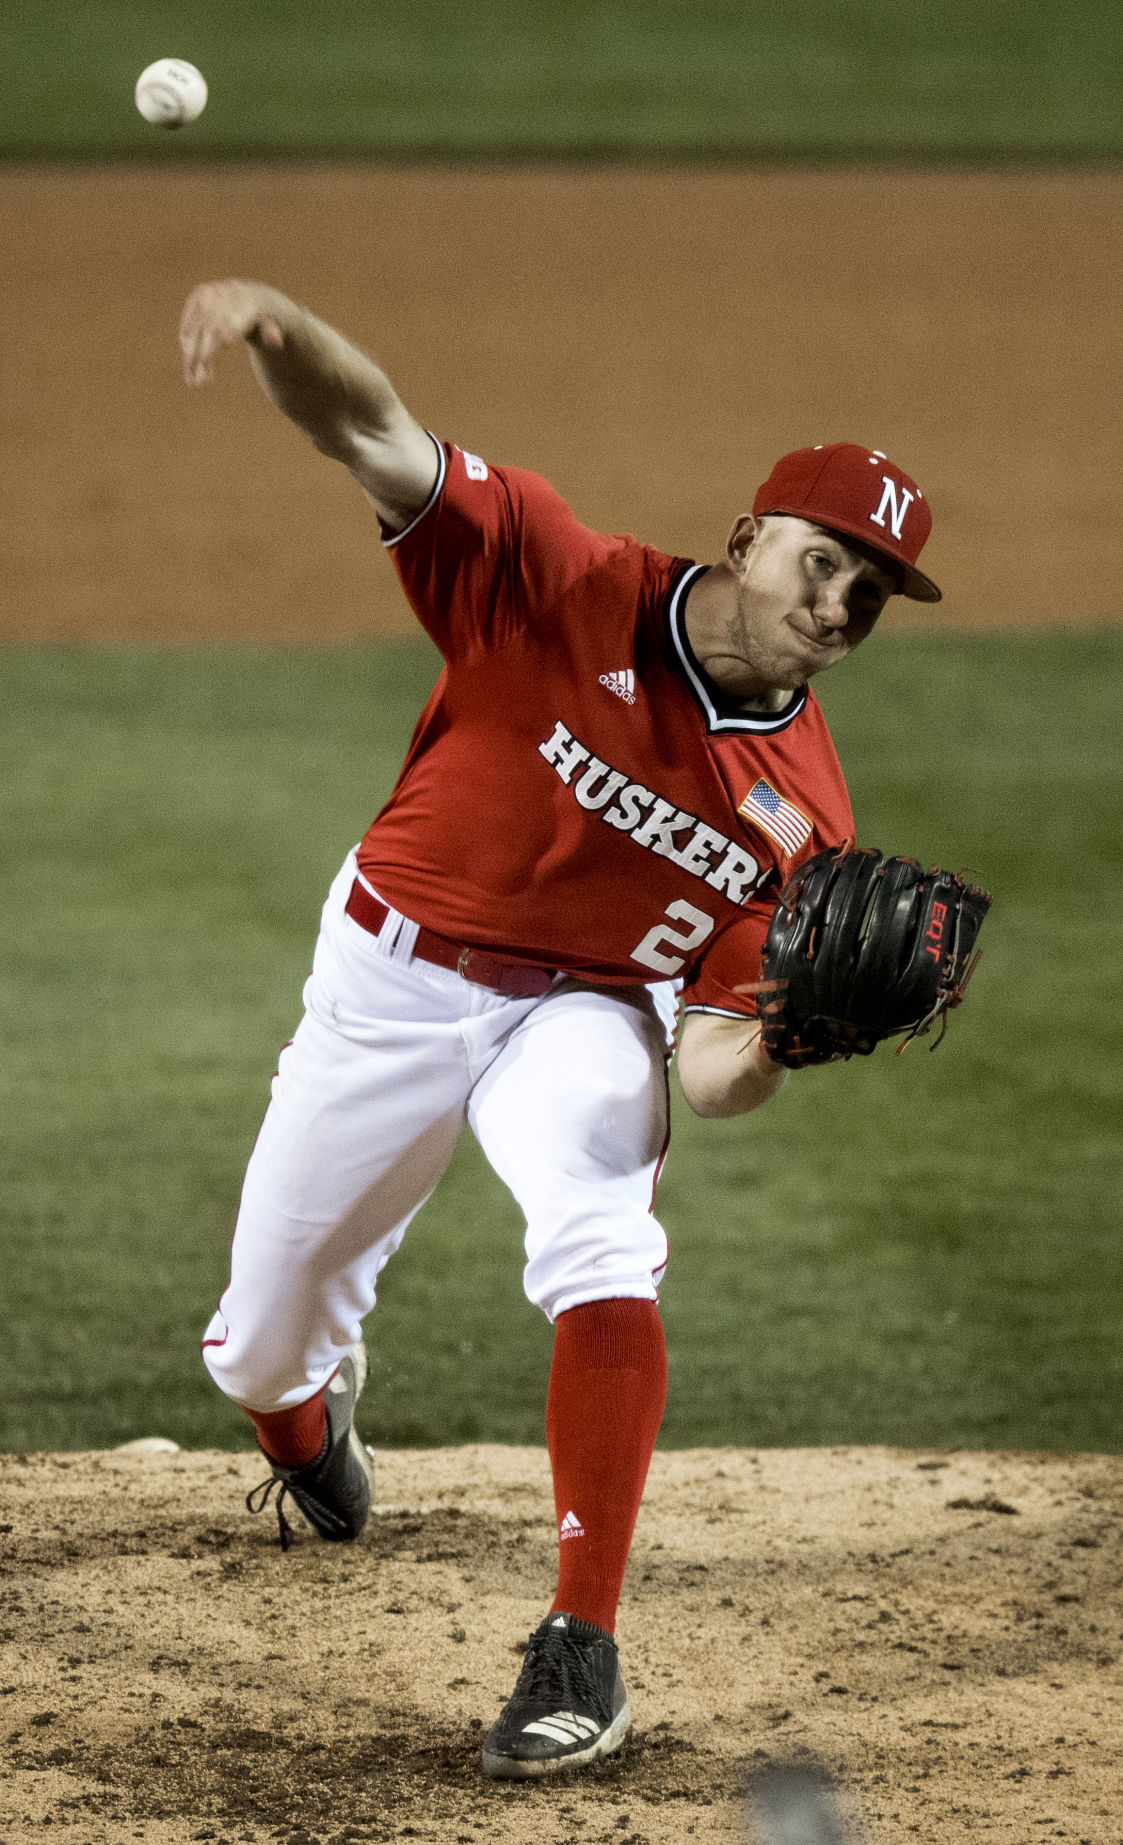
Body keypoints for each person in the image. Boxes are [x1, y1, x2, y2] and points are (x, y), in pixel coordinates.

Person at [179, 278, 941, 1780]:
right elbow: (375, 428)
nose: (839, 601)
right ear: (748, 534)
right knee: (259, 1342)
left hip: (582, 1017)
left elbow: (709, 1073)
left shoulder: (806, 822)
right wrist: (276, 326)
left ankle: (580, 1638)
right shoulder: (552, 573)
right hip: (389, 980)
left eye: (872, 591)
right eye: (826, 557)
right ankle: (307, 1431)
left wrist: (779, 1036)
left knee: (603, 1225)